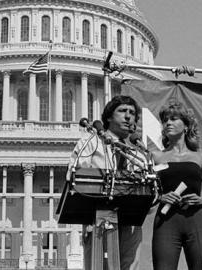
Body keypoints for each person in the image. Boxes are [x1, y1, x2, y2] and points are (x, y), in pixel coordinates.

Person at [67, 95, 143, 270]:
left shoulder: (137, 150)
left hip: (131, 220)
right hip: (97, 217)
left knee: (130, 266)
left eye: (132, 113)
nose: (128, 116)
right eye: (122, 111)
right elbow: (74, 177)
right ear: (109, 117)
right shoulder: (91, 143)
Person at [152, 99, 202, 270]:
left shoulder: (201, 157)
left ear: (186, 125)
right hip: (165, 222)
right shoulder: (155, 157)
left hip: (196, 221)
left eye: (174, 118)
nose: (168, 123)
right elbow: (146, 193)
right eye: (165, 120)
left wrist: (200, 200)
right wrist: (161, 196)